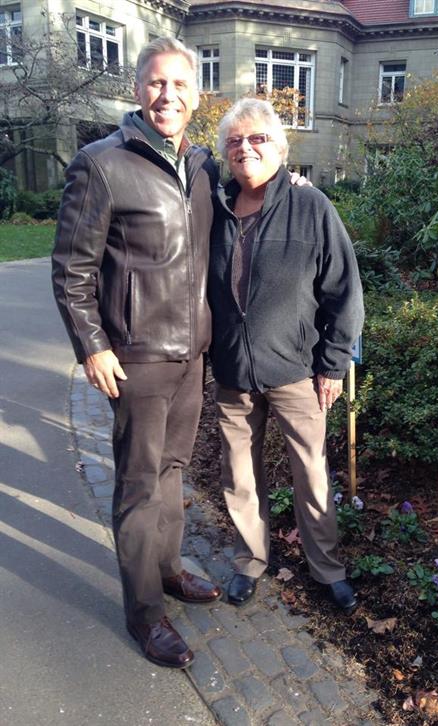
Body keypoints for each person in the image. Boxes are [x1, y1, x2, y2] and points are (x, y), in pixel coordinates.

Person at [51, 37, 223, 669]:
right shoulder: (101, 164)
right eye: (156, 83)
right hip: (138, 356)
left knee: (173, 471)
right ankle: (145, 613)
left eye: (179, 84)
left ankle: (169, 568)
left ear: (196, 95)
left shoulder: (202, 166)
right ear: (137, 89)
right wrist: (92, 347)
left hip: (191, 354)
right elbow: (71, 269)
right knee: (137, 484)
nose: (167, 95)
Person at [208, 98, 365, 613]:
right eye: (235, 141)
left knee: (312, 475)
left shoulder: (311, 205)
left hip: (296, 370)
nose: (245, 148)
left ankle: (327, 569)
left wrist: (333, 364)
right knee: (239, 475)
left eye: (257, 138)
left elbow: (344, 291)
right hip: (233, 371)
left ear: (279, 146)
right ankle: (249, 562)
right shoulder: (214, 207)